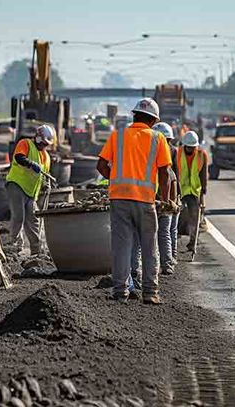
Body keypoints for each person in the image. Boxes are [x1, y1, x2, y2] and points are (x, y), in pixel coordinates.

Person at [97, 98, 172, 305]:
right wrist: (164, 200)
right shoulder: (158, 139)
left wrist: (115, 179)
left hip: (119, 199)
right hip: (146, 201)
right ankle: (150, 292)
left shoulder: (117, 136)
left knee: (121, 246)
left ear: (135, 115)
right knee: (149, 247)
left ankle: (120, 291)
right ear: (154, 119)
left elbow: (101, 165)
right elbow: (165, 172)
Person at [6, 124, 53, 255]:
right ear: (37, 138)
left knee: (33, 220)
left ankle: (36, 250)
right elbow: (19, 158)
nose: (44, 146)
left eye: (46, 144)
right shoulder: (25, 143)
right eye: (42, 143)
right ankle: (13, 245)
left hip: (32, 193)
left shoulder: (47, 157)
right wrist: (31, 164)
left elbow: (44, 175)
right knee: (18, 216)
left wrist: (46, 184)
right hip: (16, 184)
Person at [152, 122, 180, 274]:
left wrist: (172, 202)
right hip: (155, 201)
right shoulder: (158, 159)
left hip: (163, 201)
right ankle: (164, 263)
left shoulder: (168, 156)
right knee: (161, 233)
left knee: (163, 232)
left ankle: (166, 263)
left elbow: (174, 179)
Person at [177, 131, 208, 256]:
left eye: (192, 147)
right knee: (177, 215)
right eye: (188, 147)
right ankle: (174, 240)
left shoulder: (201, 155)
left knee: (195, 218)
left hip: (195, 191)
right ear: (184, 145)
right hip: (181, 189)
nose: (190, 149)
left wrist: (204, 189)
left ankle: (192, 242)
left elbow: (203, 173)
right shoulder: (178, 153)